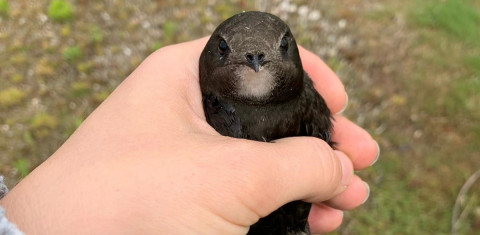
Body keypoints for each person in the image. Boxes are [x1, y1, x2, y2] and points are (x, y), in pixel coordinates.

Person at [0, 37, 379, 234]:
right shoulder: (215, 105)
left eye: (277, 49)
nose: (256, 61)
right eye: (233, 51)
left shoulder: (299, 86)